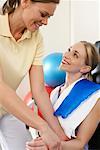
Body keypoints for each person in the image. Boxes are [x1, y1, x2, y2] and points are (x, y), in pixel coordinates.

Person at [0, 0, 68, 150]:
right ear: (25, 2)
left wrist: (60, 134)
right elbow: (1, 89)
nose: (45, 22)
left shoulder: (36, 38)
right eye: (43, 14)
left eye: (49, 17)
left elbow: (39, 91)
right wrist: (43, 127)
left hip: (6, 109)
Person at [26, 41, 100, 150]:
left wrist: (51, 146)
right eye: (69, 50)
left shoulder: (95, 96)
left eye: (75, 55)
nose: (66, 55)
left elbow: (80, 143)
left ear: (85, 68)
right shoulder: (56, 92)